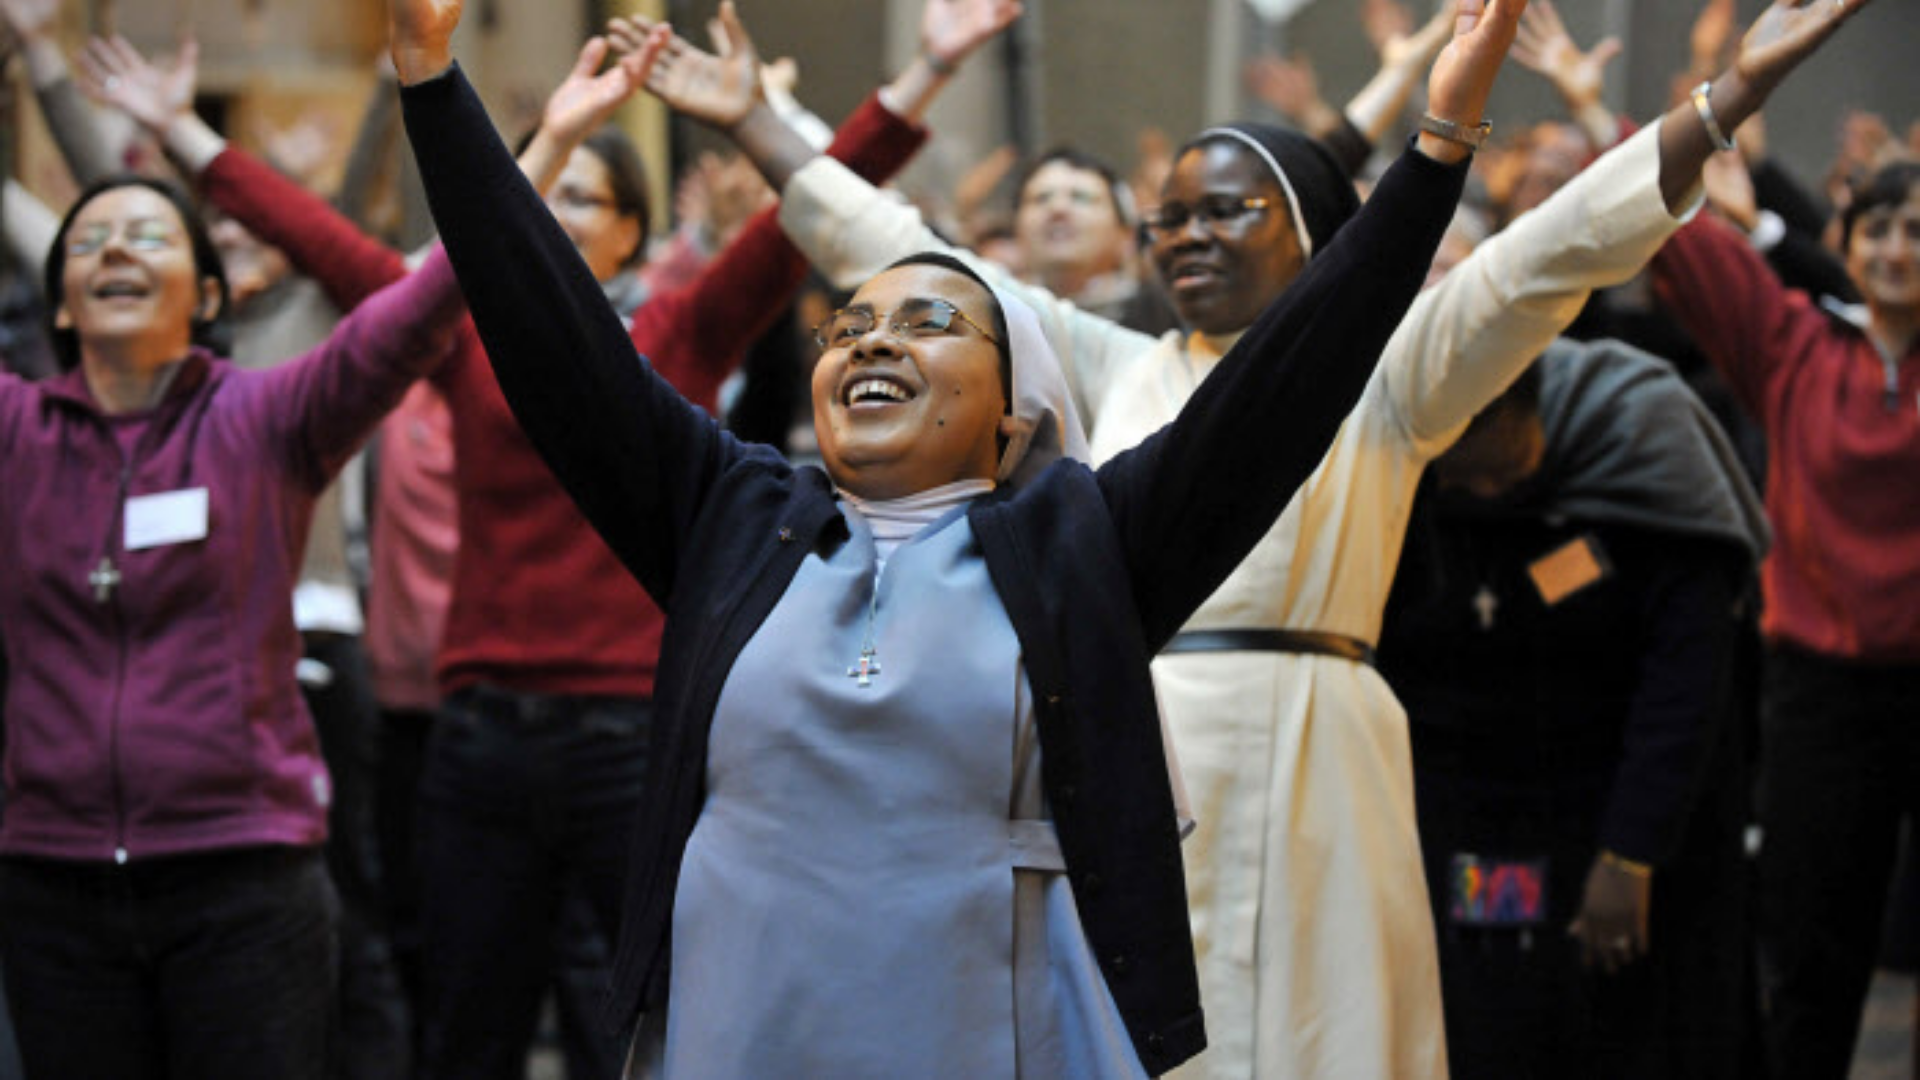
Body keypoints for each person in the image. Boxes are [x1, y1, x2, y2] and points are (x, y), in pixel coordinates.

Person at [637, 0, 1876, 1073]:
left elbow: (1546, 258)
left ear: (1311, 236)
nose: (1184, 234)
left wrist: (1727, 101)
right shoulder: (1105, 359)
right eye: (1168, 214)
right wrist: (756, 123)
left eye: (1225, 211)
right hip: (1128, 731)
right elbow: (903, 258)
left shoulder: (1386, 369)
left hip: (1317, 752)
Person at [388, 0, 1519, 1073]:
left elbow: (1288, 383)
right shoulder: (729, 516)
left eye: (930, 323)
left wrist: (1436, 149)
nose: (872, 344)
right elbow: (552, 336)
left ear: (1014, 406)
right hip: (743, 1017)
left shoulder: (1083, 542)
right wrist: (432, 83)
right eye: (849, 326)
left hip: (986, 1024)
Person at [82, 8, 977, 1079]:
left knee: (643, 1019)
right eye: (543, 189)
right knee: (469, 1023)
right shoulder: (465, 329)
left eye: (585, 200)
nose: (551, 208)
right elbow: (319, 239)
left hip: (633, 734)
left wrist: (930, 67)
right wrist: (183, 132)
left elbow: (804, 218)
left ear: (629, 237)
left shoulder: (681, 331)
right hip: (482, 732)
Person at [0, 167, 464, 1078]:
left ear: (209, 293)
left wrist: (549, 140)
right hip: (54, 879)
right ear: (59, 304)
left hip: (241, 875)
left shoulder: (265, 416)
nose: (117, 251)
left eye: (148, 235)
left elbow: (420, 306)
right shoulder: (17, 434)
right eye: (88, 243)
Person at [1377, 341, 1767, 1078]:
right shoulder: (1402, 456)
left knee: (1645, 1023)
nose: (1491, 494)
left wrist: (1630, 854)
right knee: (1499, 1016)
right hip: (1482, 808)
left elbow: (1688, 674)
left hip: (1639, 800)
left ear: (1535, 406)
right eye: (1469, 481)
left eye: (1507, 468)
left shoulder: (1638, 430)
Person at [1651, 148, 1920, 1079]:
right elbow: (1676, 238)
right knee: (1809, 953)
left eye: (1917, 232)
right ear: (1844, 245)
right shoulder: (1796, 344)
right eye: (1877, 229)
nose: (1896, 251)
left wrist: (1767, 231)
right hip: (1821, 697)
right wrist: (1590, 101)